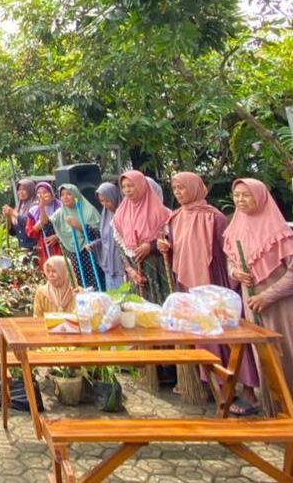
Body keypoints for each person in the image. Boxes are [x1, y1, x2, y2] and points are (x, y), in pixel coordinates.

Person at [163, 171, 258, 413]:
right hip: (188, 286)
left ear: (195, 188)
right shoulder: (174, 218)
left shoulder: (214, 217)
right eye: (175, 189)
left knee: (228, 336)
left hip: (215, 286)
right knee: (200, 335)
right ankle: (212, 386)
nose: (178, 192)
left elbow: (226, 251)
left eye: (182, 188)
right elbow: (175, 247)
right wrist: (164, 247)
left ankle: (247, 389)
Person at [224, 178, 293, 415]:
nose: (240, 200)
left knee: (284, 351)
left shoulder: (280, 232)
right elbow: (230, 259)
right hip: (251, 300)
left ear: (260, 197)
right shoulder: (235, 227)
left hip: (280, 305)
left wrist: (268, 296)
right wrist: (236, 272)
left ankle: (288, 408)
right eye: (236, 195)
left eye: (246, 195)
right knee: (260, 352)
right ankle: (272, 409)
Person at [112, 170, 173, 304]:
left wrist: (150, 246)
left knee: (159, 308)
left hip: (156, 269)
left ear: (141, 186)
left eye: (131, 185)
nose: (127, 190)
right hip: (135, 271)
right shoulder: (120, 214)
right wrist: (129, 270)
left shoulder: (161, 212)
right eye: (124, 186)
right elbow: (119, 245)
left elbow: (169, 239)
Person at [51, 184, 104, 291]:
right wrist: (42, 206)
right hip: (72, 254)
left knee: (96, 285)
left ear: (75, 195)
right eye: (62, 195)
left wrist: (79, 226)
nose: (65, 197)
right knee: (78, 285)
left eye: (69, 194)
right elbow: (45, 226)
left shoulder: (88, 211)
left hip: (89, 252)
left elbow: (98, 233)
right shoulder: (60, 213)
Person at [89, 183, 126, 290]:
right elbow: (106, 240)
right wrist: (94, 245)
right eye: (102, 201)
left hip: (123, 266)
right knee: (113, 301)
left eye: (107, 200)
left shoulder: (124, 215)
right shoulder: (105, 215)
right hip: (109, 267)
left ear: (114, 197)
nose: (105, 204)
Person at [25, 182, 62, 271]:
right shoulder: (33, 211)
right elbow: (30, 232)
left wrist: (58, 236)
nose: (42, 195)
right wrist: (39, 223)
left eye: (45, 192)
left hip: (61, 246)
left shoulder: (61, 207)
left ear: (51, 193)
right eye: (39, 193)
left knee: (62, 270)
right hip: (43, 247)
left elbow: (69, 227)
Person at [2, 179, 39, 253]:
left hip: (36, 248)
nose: (20, 192)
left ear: (30, 190)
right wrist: (8, 217)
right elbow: (13, 232)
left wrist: (13, 213)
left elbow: (29, 223)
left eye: (24, 189)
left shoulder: (36, 205)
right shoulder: (18, 207)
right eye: (19, 189)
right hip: (23, 249)